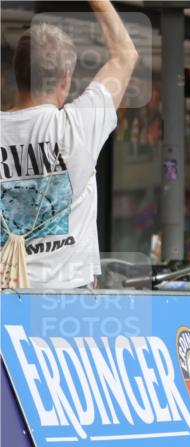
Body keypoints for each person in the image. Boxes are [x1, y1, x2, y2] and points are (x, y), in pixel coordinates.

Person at [0, 1, 138, 288]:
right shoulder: (79, 127)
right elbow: (125, 55)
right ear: (65, 80)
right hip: (67, 302)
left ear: (17, 73)